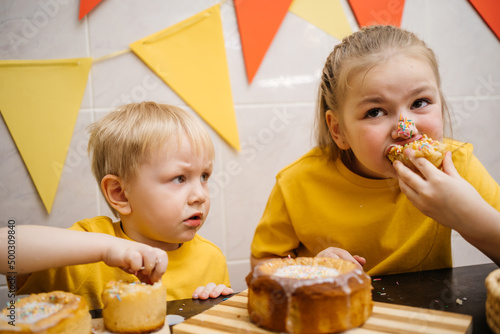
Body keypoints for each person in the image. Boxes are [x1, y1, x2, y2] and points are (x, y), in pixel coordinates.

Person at [250, 25, 500, 275]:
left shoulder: (455, 165)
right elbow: (261, 265)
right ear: (339, 131)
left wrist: (467, 216)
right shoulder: (296, 184)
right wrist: (310, 269)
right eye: (375, 112)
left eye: (419, 103)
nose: (405, 129)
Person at [0, 102, 233, 310]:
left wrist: (215, 308)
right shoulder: (91, 245)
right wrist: (105, 248)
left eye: (204, 176)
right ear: (120, 193)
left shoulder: (212, 259)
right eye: (179, 178)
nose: (200, 195)